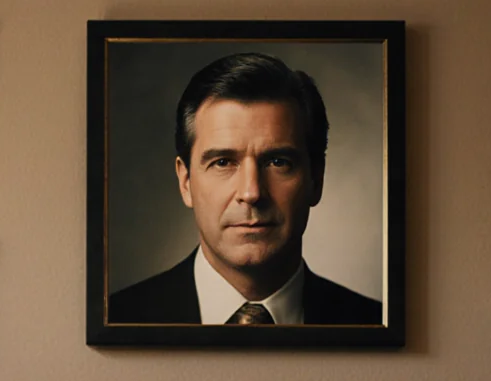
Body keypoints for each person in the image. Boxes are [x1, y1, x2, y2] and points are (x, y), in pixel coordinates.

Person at [107, 52, 382, 325]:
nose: (252, 193)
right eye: (223, 162)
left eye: (278, 162)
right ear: (185, 182)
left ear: (316, 179)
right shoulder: (119, 319)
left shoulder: (374, 324)